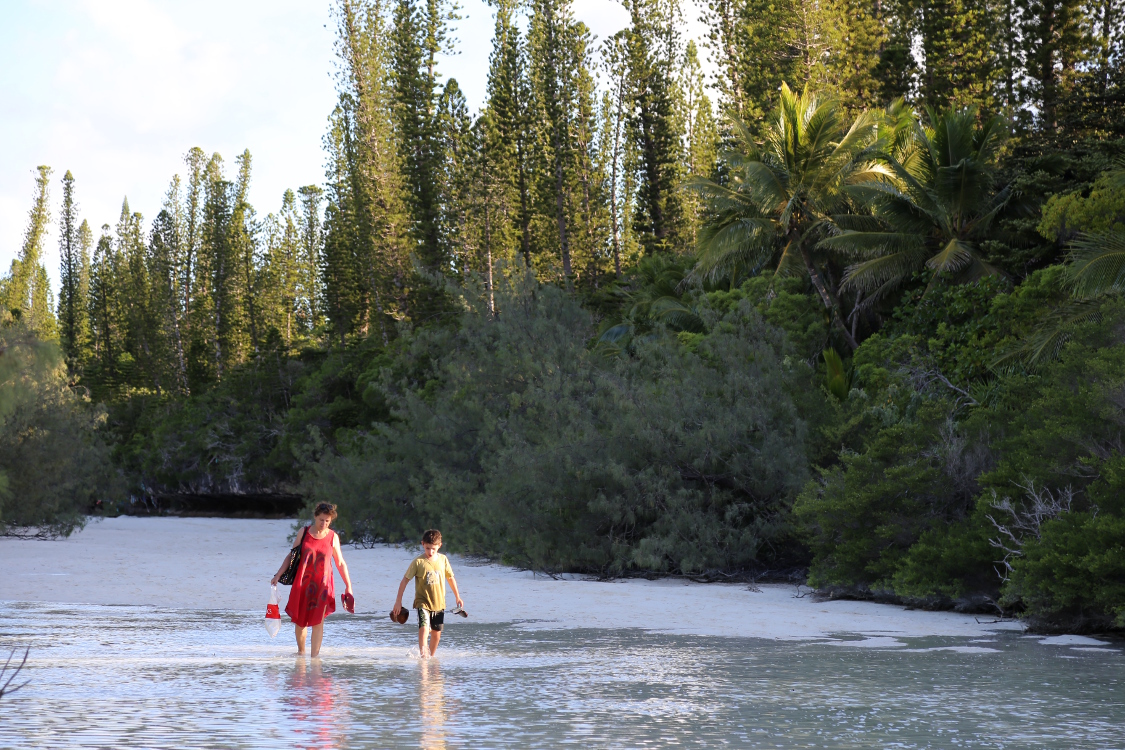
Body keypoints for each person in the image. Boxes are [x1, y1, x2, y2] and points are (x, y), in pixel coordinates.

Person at [271, 502, 354, 657]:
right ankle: (301, 653)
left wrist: (348, 586)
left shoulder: (333, 537)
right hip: (302, 583)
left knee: (318, 622)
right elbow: (291, 556)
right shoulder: (304, 532)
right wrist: (278, 574)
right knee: (300, 621)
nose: (324, 523)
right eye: (321, 519)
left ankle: (315, 658)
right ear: (315, 516)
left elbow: (340, 563)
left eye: (327, 521)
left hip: (323, 586)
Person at [393, 529, 463, 658]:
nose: (430, 552)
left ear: (439, 546)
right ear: (422, 544)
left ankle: (430, 657)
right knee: (424, 628)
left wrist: (457, 596)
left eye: (433, 549)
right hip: (422, 602)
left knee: (436, 633)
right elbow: (404, 581)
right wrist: (398, 601)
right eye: (427, 548)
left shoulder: (443, 560)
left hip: (439, 603)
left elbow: (450, 578)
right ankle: (424, 656)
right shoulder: (418, 562)